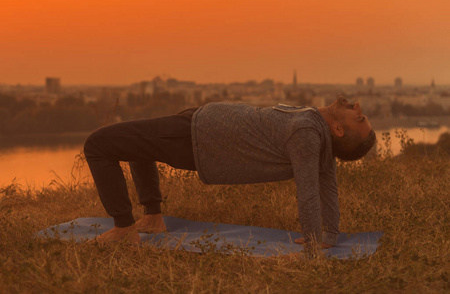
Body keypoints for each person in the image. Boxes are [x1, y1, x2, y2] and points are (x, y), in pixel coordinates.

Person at [83, 97, 376, 248]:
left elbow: (311, 189)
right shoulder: (315, 127)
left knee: (97, 144)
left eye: (358, 116)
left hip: (196, 138)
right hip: (195, 124)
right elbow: (329, 185)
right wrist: (331, 236)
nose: (355, 106)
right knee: (138, 144)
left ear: (338, 129)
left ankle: (124, 229)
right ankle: (152, 217)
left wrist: (313, 243)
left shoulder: (308, 134)